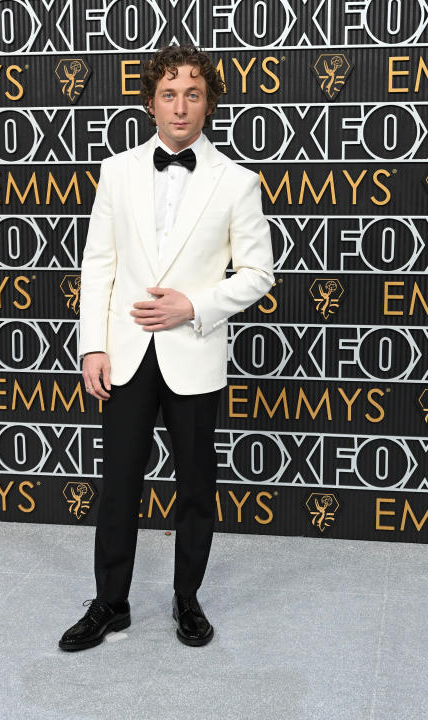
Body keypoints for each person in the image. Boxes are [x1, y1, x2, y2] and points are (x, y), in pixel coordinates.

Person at [59, 44, 274, 652]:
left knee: (196, 489)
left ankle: (187, 600)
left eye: (194, 93)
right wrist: (92, 347)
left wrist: (194, 306)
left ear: (209, 102)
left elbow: (258, 274)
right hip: (125, 354)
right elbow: (98, 265)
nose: (181, 106)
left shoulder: (236, 182)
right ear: (151, 102)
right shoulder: (118, 170)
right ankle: (110, 604)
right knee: (119, 484)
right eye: (169, 93)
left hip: (194, 352)